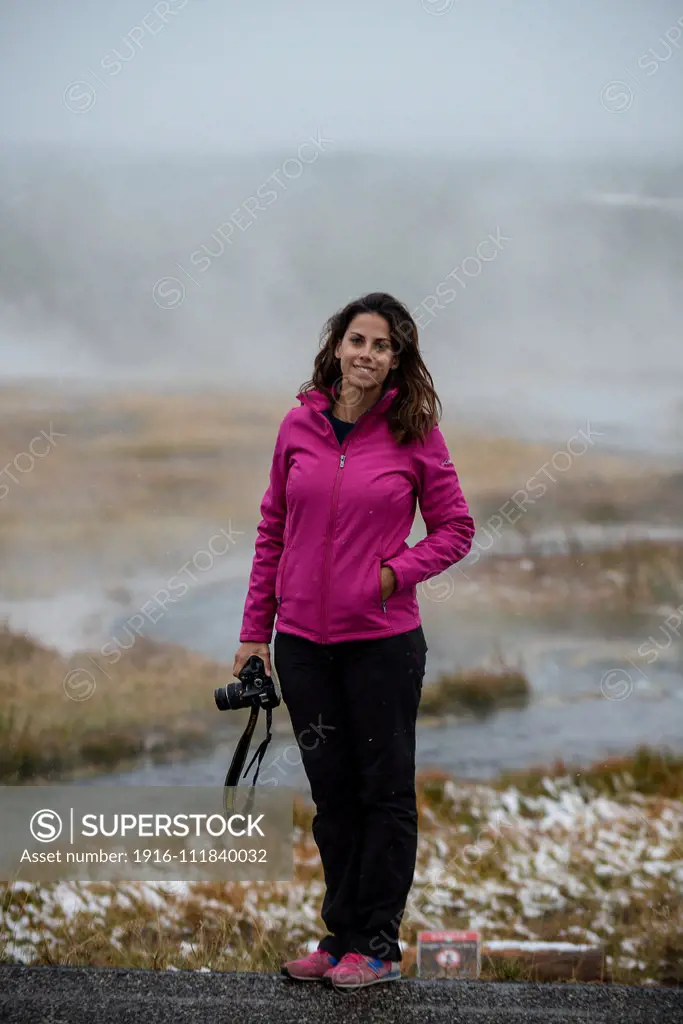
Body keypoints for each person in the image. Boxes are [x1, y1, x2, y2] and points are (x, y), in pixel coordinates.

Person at [233, 291, 475, 990]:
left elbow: (456, 528)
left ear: (397, 360)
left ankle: (377, 944)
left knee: (384, 794)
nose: (366, 354)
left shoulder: (414, 431)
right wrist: (255, 634)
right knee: (332, 795)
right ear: (336, 345)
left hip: (382, 644)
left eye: (382, 345)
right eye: (357, 340)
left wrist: (393, 574)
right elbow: (271, 532)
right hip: (301, 644)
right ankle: (337, 936)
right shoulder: (297, 426)